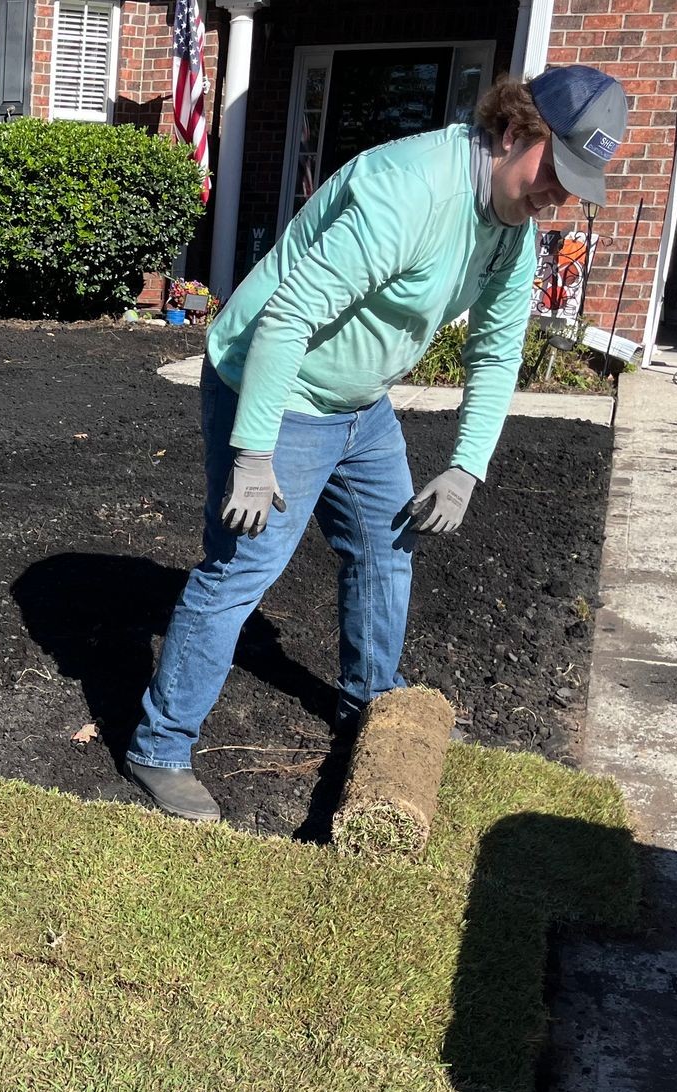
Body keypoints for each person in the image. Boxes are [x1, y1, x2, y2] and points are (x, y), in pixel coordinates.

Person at [126, 66, 628, 821]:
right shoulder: (412, 189)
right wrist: (254, 451)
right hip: (276, 384)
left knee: (387, 543)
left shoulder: (509, 231)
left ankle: (368, 709)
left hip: (359, 404)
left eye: (575, 187)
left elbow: (494, 355)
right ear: (516, 132)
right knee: (241, 569)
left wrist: (465, 468)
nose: (557, 199)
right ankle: (158, 747)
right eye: (557, 173)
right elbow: (287, 317)